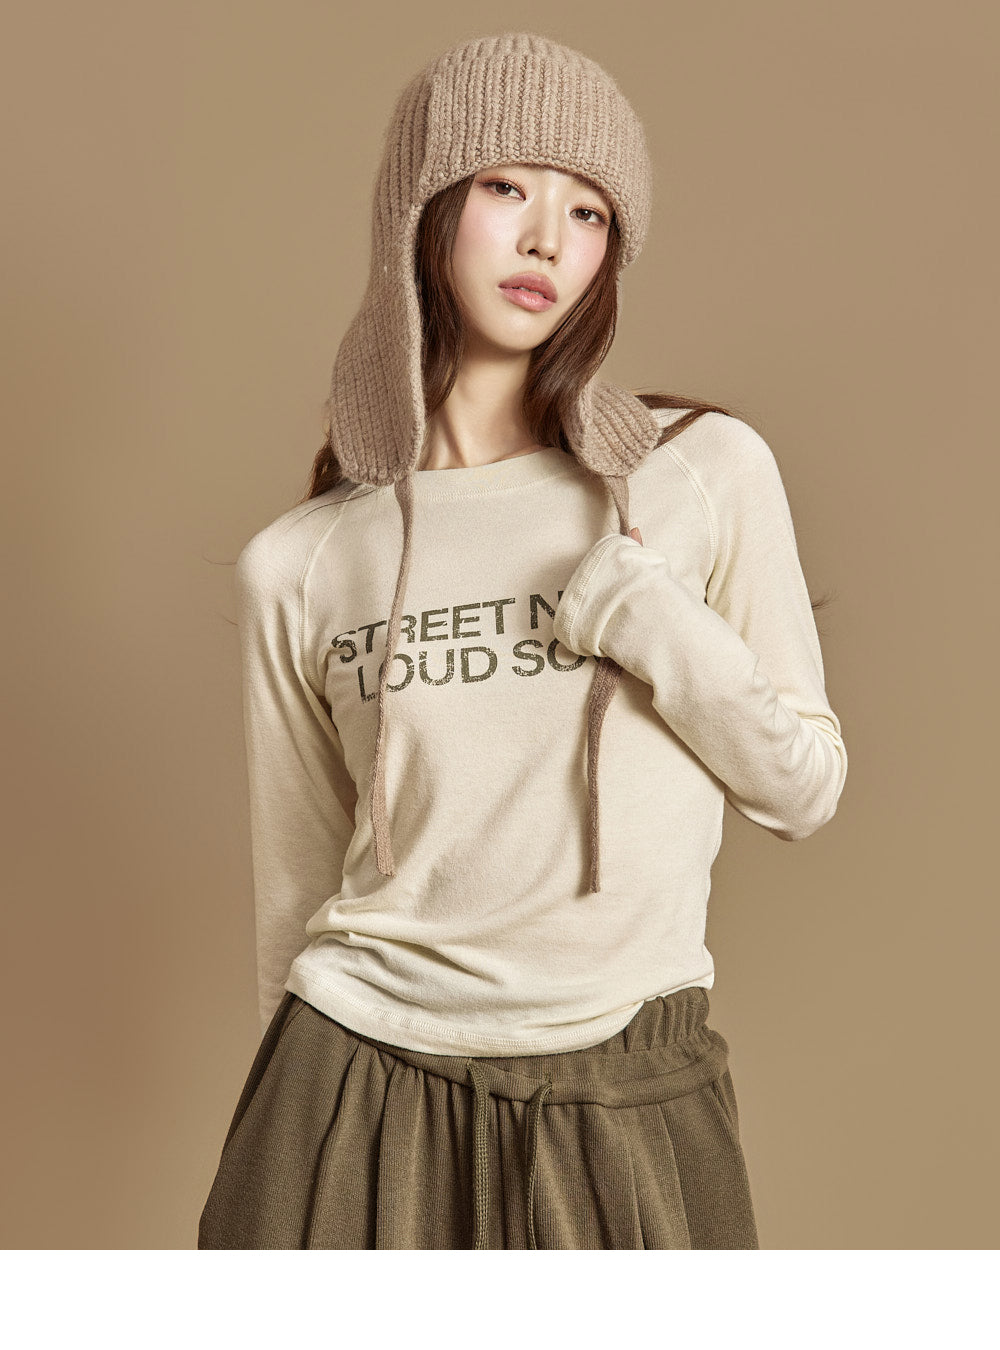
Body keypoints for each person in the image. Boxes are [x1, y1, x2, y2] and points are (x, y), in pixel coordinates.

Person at [197, 30, 848, 1250]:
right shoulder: (302, 561)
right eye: (506, 187)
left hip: (625, 1077)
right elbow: (295, 898)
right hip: (348, 1084)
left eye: (588, 212)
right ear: (422, 213)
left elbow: (803, 786)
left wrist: (658, 621)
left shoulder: (698, 471)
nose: (548, 239)